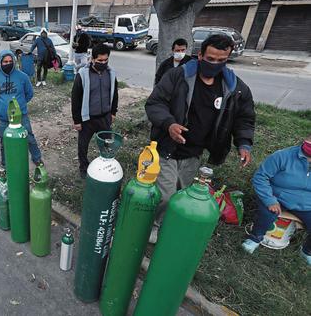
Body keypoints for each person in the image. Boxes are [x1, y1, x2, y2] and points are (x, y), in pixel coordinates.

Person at [145, 34, 256, 241]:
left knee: (181, 194)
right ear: (200, 55)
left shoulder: (235, 88)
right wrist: (169, 124)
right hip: (166, 147)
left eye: (221, 60)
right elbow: (155, 103)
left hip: (194, 153)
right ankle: (153, 224)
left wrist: (243, 143)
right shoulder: (177, 76)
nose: (215, 64)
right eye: (211, 59)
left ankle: (169, 223)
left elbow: (244, 118)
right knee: (166, 195)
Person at [242, 136, 311, 265]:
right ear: (305, 139)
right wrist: (270, 200)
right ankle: (255, 238)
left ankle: (307, 251)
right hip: (277, 196)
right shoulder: (283, 156)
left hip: (306, 204)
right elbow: (260, 177)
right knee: (268, 213)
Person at [71, 44, 119, 178]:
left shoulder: (111, 73)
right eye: (100, 61)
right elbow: (75, 98)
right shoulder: (83, 75)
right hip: (87, 119)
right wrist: (77, 120)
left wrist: (113, 112)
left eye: (106, 60)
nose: (103, 63)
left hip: (104, 118)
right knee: (83, 145)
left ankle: (105, 168)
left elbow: (115, 93)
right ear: (92, 59)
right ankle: (83, 168)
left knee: (107, 145)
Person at [0, 50, 43, 166]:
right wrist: (2, 105)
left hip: (21, 116)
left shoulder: (22, 77)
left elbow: (29, 94)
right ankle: (5, 163)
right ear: (0, 62)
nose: (8, 63)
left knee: (29, 138)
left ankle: (37, 158)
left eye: (10, 61)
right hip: (3, 118)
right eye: (5, 61)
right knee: (4, 141)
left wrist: (20, 105)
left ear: (13, 61)